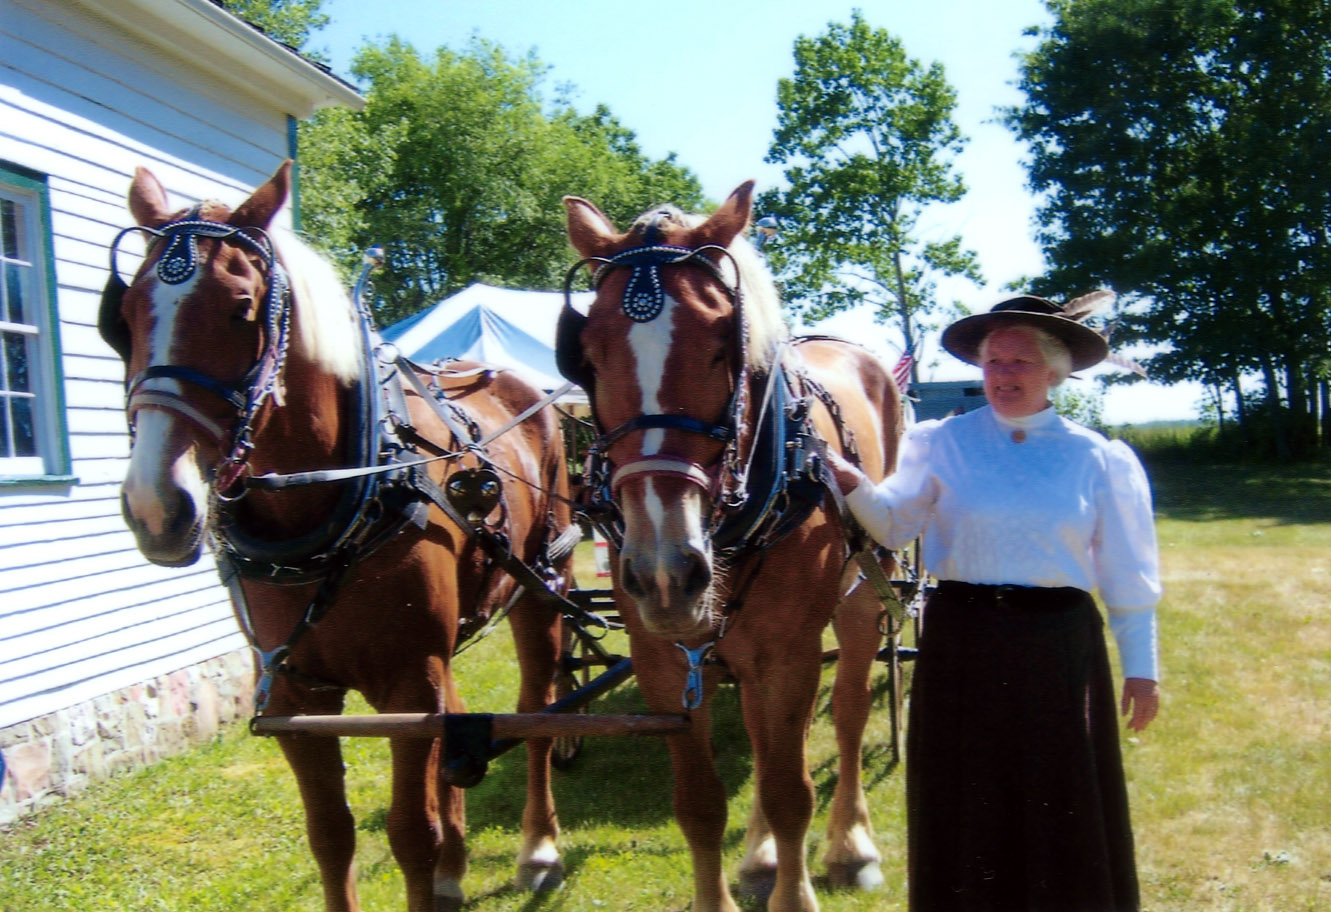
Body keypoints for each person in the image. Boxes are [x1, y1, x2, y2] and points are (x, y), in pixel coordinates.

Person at [827, 293, 1161, 912]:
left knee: (1058, 794)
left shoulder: (1096, 457)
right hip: (964, 640)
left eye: (1022, 362)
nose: (1005, 374)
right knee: (966, 793)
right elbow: (895, 526)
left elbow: (1128, 575)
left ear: (1055, 372)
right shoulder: (940, 440)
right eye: (995, 361)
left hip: (1058, 647)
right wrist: (853, 485)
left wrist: (1142, 669)